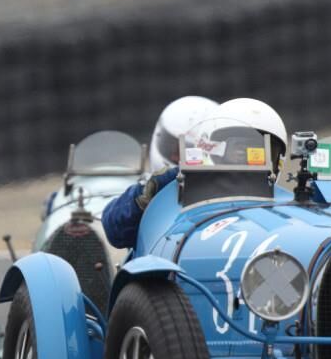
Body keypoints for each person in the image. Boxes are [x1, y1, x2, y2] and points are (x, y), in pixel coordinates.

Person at [102, 97, 288, 248]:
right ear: (213, 149)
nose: (244, 156)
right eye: (236, 148)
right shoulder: (169, 185)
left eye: (257, 149)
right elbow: (114, 229)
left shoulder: (286, 208)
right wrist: (143, 198)